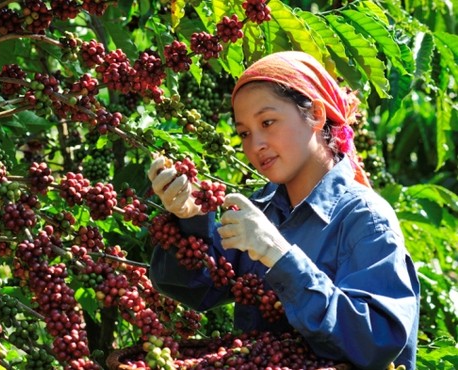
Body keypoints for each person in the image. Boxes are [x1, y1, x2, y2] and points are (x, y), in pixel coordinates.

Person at [147, 51, 420, 370]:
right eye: (244, 133)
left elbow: (376, 342)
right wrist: (190, 217)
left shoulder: (364, 217)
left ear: (316, 114)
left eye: (267, 122)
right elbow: (197, 287)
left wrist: (277, 254)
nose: (255, 144)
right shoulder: (262, 208)